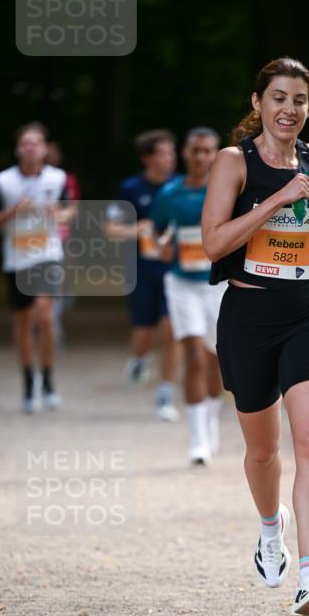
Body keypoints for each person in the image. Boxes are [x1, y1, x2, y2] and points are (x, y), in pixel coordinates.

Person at [202, 57, 309, 616]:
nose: (288, 109)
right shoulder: (234, 163)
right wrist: (275, 200)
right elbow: (213, 242)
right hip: (248, 317)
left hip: (308, 312)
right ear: (258, 103)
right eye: (278, 97)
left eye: (298, 100)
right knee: (263, 451)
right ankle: (271, 528)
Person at [151, 127, 227, 464]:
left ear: (216, 154)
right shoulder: (170, 193)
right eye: (195, 150)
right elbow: (157, 232)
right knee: (194, 354)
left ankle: (211, 419)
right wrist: (162, 246)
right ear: (186, 153)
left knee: (216, 358)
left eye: (207, 151)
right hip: (182, 283)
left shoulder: (228, 190)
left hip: (218, 283)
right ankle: (197, 439)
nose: (201, 157)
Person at [0, 122, 69, 412]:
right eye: (25, 143)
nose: (30, 148)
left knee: (44, 316)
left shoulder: (57, 178)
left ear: (45, 149)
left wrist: (58, 214)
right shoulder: (3, 181)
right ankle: (28, 382)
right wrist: (12, 212)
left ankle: (48, 379)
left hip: (47, 253)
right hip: (17, 257)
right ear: (18, 149)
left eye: (36, 143)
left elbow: (70, 211)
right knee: (23, 321)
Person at [105, 129, 180, 421]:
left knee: (171, 329)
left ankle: (165, 395)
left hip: (175, 270)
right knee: (144, 333)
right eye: (163, 153)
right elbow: (111, 230)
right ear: (147, 158)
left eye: (171, 153)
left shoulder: (182, 186)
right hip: (142, 270)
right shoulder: (131, 188)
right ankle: (139, 358)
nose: (169, 158)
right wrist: (137, 229)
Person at [46, 140, 81, 348]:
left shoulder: (65, 179)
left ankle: (54, 328)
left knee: (56, 284)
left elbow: (73, 208)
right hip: (32, 240)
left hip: (60, 236)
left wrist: (60, 215)